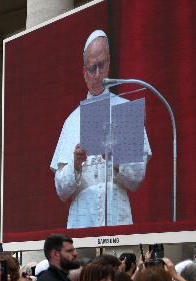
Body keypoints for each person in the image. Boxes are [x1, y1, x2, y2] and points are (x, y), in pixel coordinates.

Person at [50, 30, 151, 228]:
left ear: (109, 63)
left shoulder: (125, 109)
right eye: (92, 68)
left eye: (101, 65)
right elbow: (61, 190)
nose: (97, 74)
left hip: (116, 215)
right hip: (81, 218)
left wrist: (113, 156)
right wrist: (76, 165)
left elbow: (136, 179)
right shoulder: (71, 121)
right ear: (84, 72)